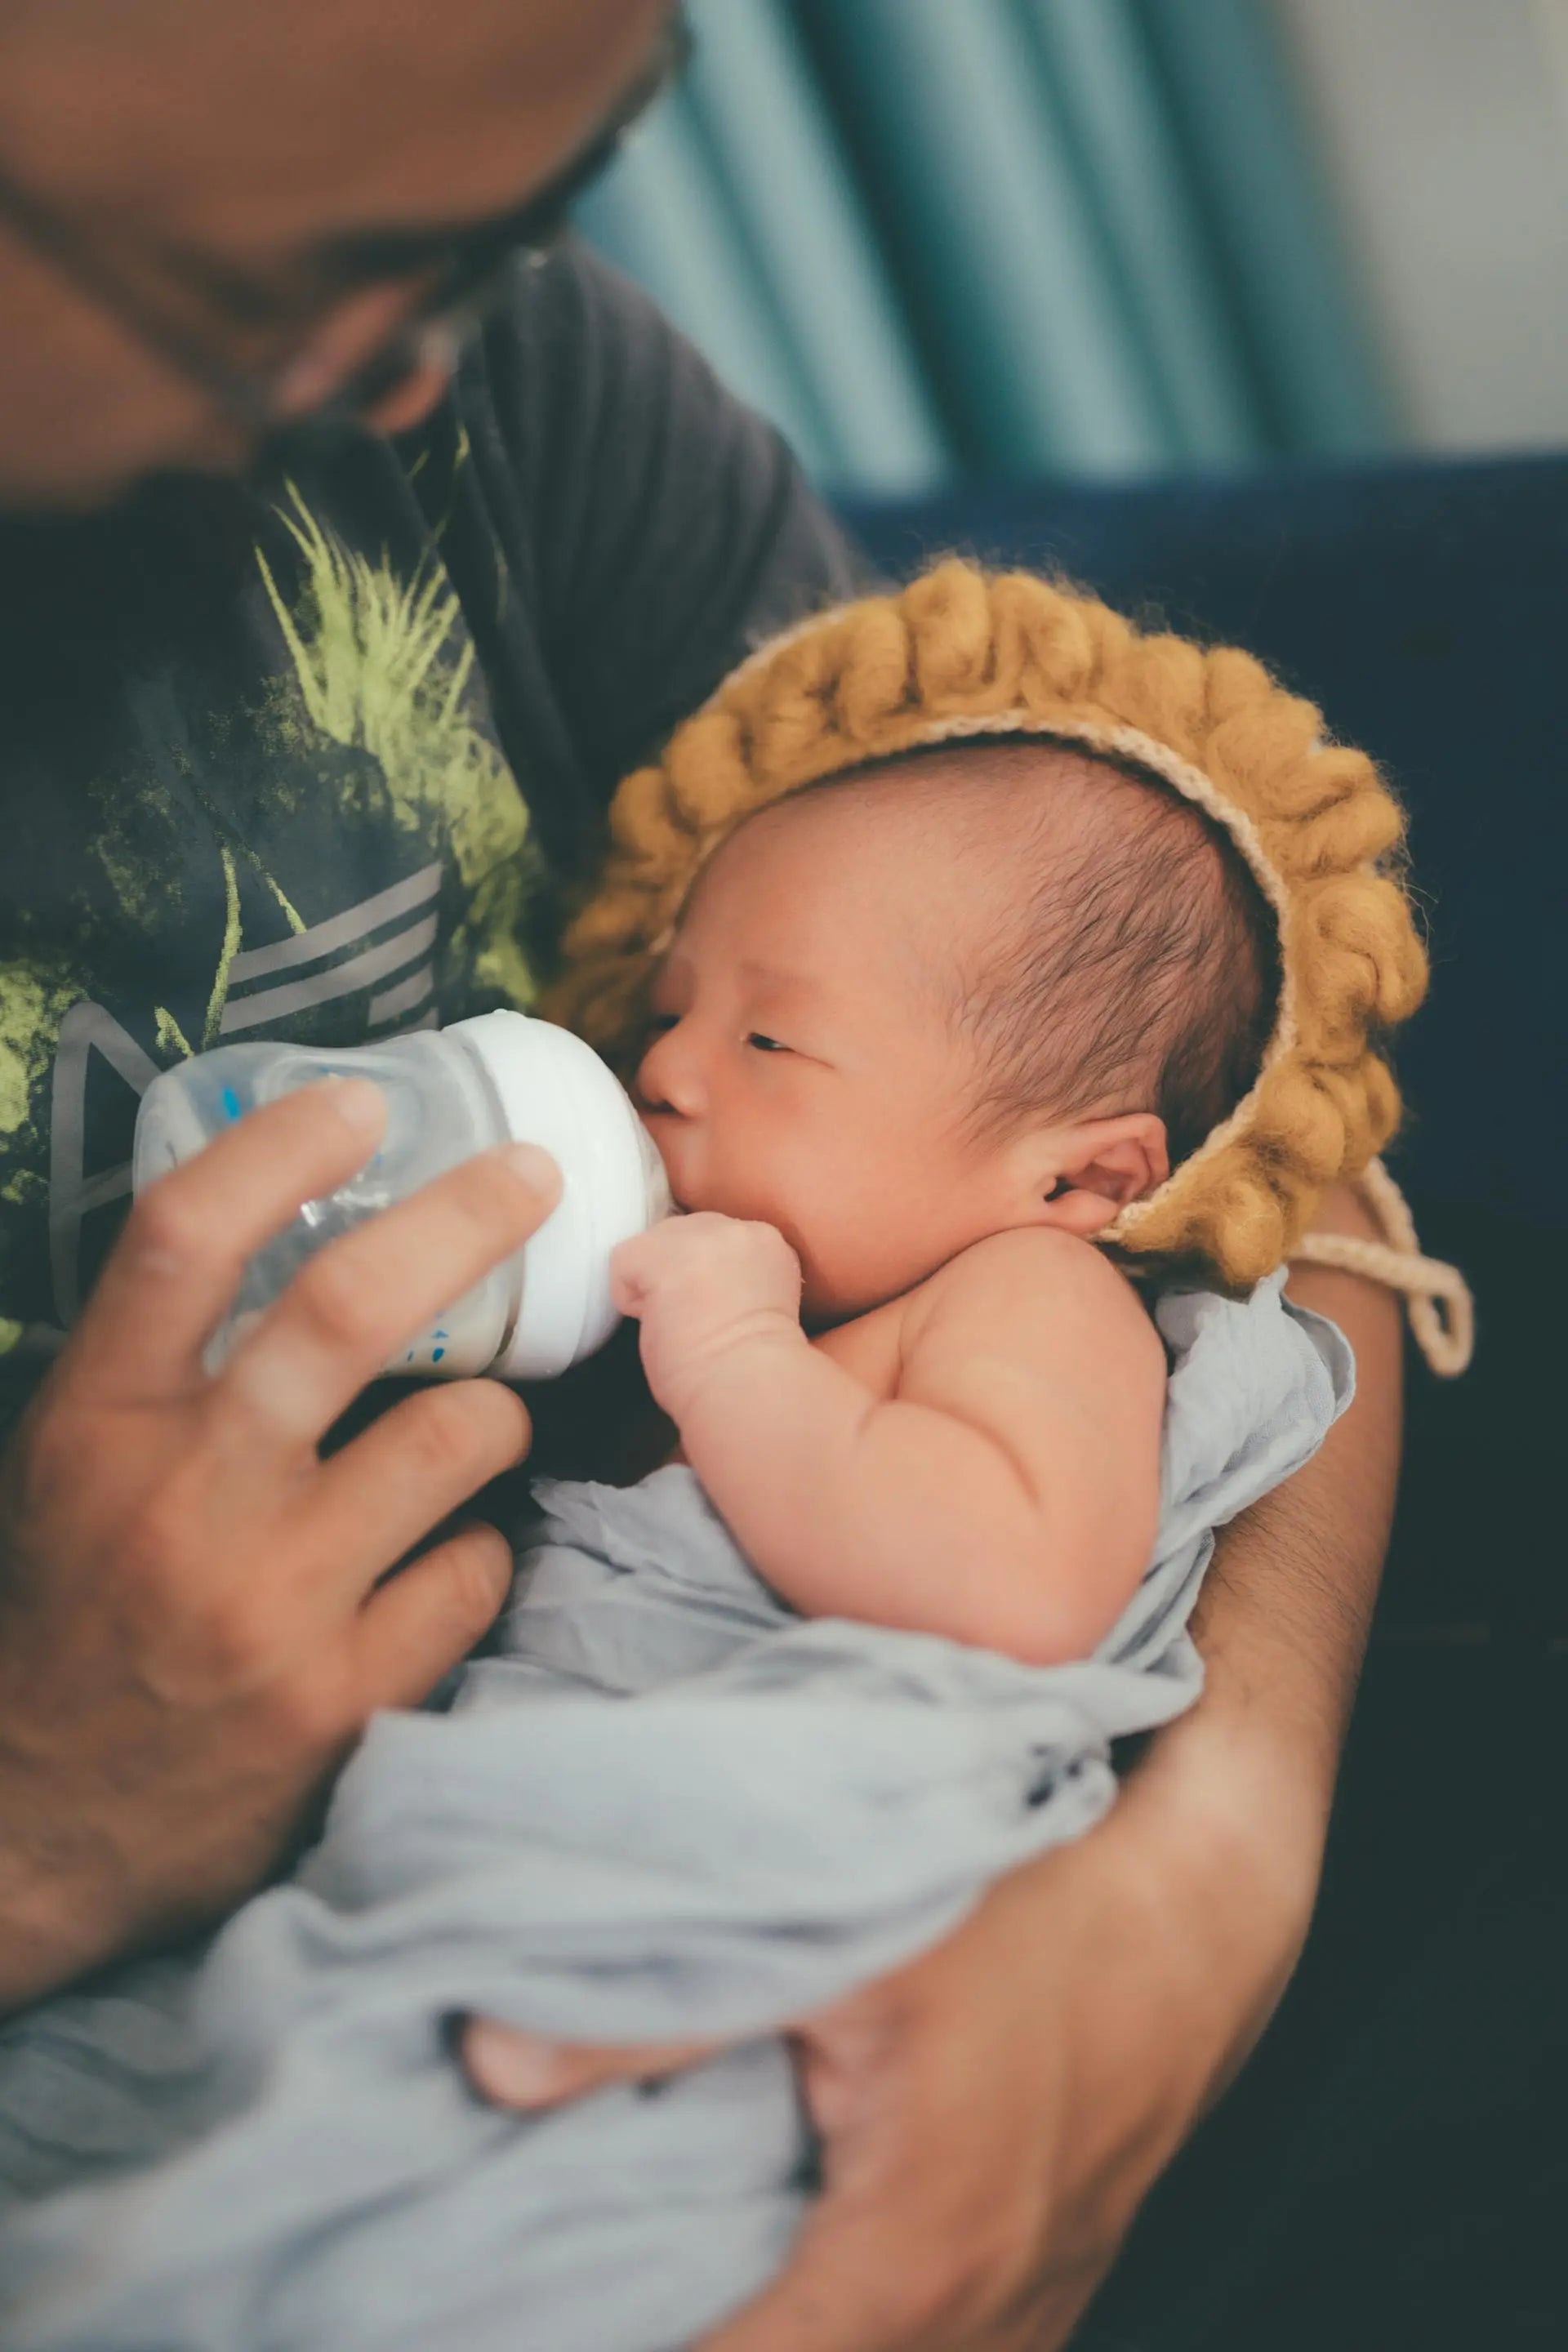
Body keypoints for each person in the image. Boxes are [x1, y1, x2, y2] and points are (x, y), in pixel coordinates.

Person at [0, 3, 1406, 2345]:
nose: (414, 388)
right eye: (280, 294)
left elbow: (1290, 1157)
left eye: (507, 236)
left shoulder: (509, 381)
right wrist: (48, 1820)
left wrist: (1193, 1918)